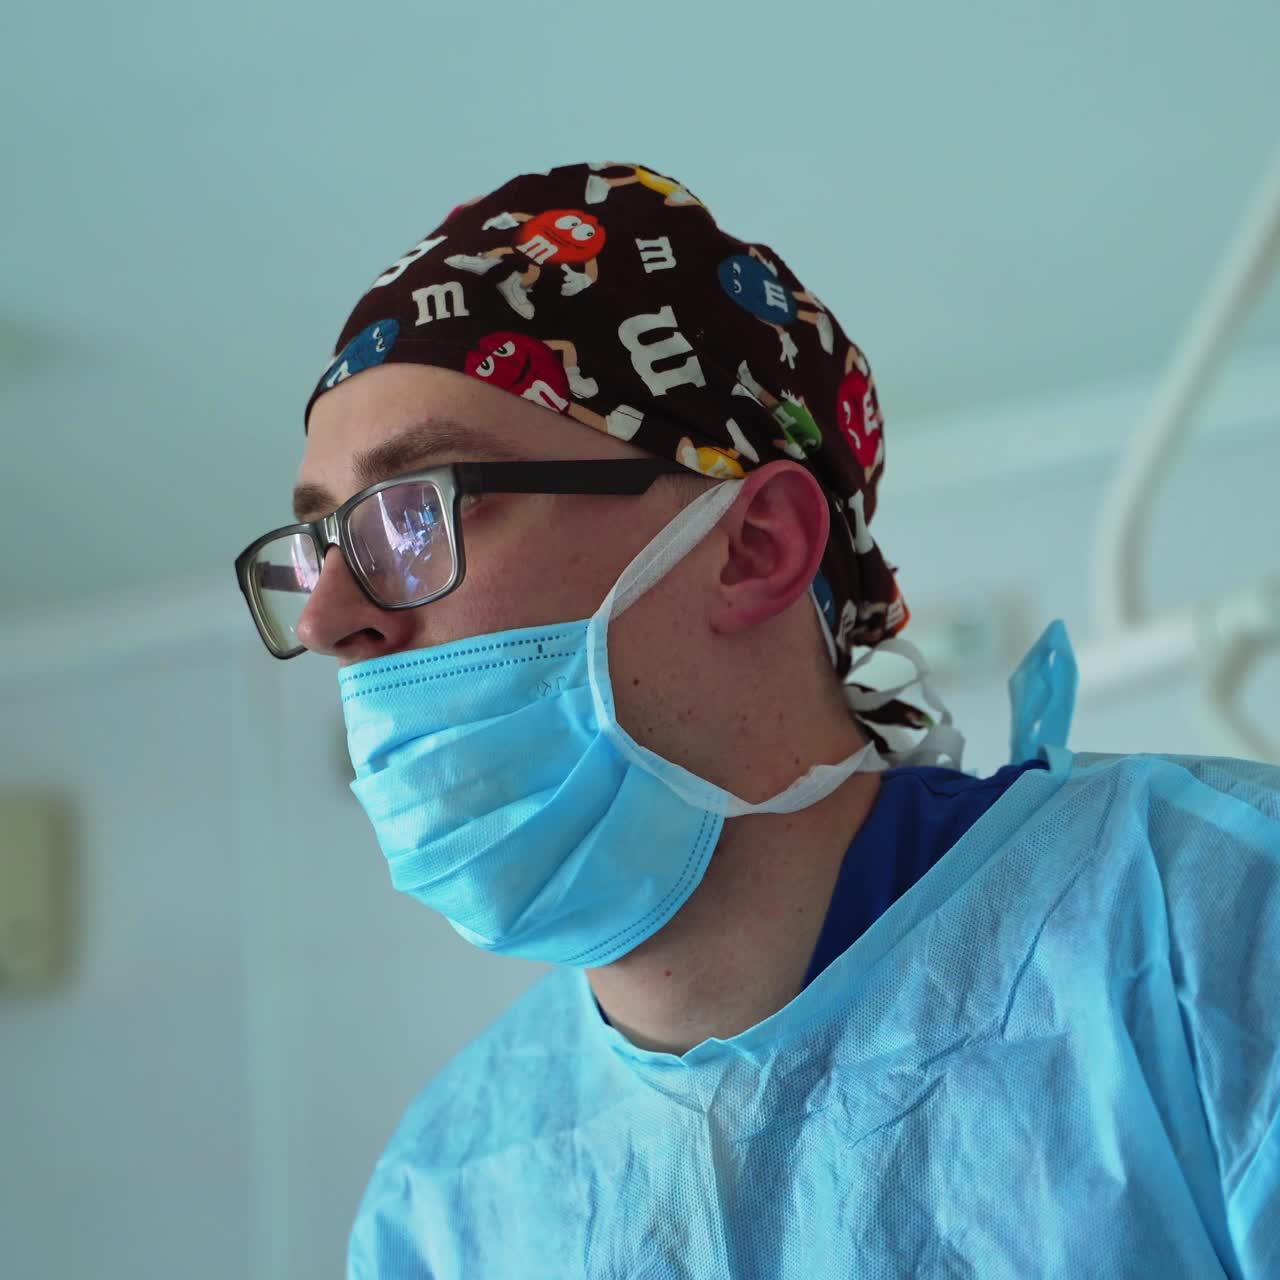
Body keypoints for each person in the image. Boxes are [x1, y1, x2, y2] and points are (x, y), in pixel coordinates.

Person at [234, 162, 1280, 1279]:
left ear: (756, 547)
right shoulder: (442, 1201)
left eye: (418, 505)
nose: (331, 616)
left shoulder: (1204, 932)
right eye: (318, 544)